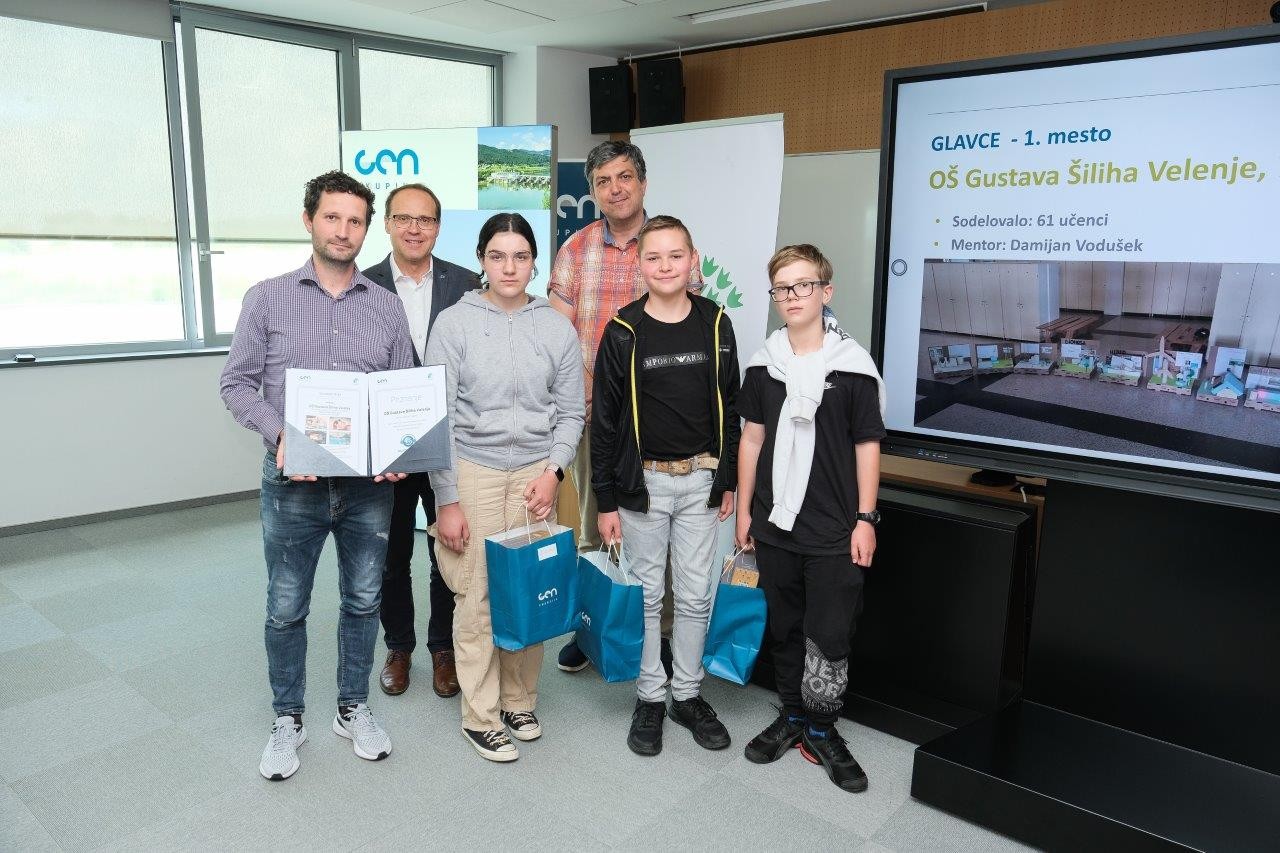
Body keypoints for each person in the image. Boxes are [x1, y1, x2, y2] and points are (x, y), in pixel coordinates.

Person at [219, 170, 413, 781]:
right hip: (292, 485)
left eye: (355, 220)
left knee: (363, 600)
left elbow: (401, 391)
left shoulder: (386, 307)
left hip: (366, 489)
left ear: (366, 230)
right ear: (309, 221)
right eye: (332, 217)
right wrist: (281, 435)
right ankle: (288, 718)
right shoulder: (267, 298)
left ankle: (353, 707)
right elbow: (235, 384)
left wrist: (399, 446)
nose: (343, 230)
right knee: (286, 606)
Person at [426, 213, 585, 762]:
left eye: (520, 257)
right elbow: (439, 418)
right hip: (475, 471)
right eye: (497, 256)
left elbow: (571, 412)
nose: (509, 267)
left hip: (536, 476)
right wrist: (447, 499)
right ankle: (481, 715)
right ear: (481, 261)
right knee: (477, 596)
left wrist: (554, 471)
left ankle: (519, 700)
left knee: (529, 591)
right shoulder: (454, 324)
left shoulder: (556, 328)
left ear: (535, 263)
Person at [735, 244, 886, 793]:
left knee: (830, 633)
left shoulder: (853, 368)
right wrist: (744, 511)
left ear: (826, 291)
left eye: (803, 285)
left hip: (835, 528)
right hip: (775, 524)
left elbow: (867, 445)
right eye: (782, 288)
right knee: (786, 628)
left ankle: (822, 730)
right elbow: (751, 441)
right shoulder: (763, 365)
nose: (792, 296)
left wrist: (866, 518)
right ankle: (793, 716)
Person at [591, 215, 740, 756]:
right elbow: (605, 422)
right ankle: (651, 696)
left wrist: (727, 478)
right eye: (654, 257)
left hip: (701, 480)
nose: (665, 266)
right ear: (640, 264)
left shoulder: (717, 323)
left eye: (676, 256)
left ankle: (687, 694)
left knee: (696, 594)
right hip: (643, 485)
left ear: (692, 260)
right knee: (648, 596)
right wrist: (606, 499)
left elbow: (733, 408)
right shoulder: (622, 331)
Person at [549, 139, 691, 675]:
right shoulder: (575, 249)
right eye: (603, 181)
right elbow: (558, 338)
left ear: (643, 182)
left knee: (663, 533)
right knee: (594, 529)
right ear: (592, 191)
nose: (616, 188)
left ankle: (665, 635)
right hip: (594, 417)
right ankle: (595, 630)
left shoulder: (669, 245)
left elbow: (689, 325)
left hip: (661, 421)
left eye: (625, 176)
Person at [363, 182, 479, 700]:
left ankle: (442, 646)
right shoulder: (361, 285)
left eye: (426, 219)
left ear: (438, 226)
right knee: (390, 555)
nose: (415, 228)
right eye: (404, 218)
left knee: (446, 548)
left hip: (449, 443)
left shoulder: (467, 283)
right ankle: (399, 646)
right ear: (387, 224)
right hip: (386, 449)